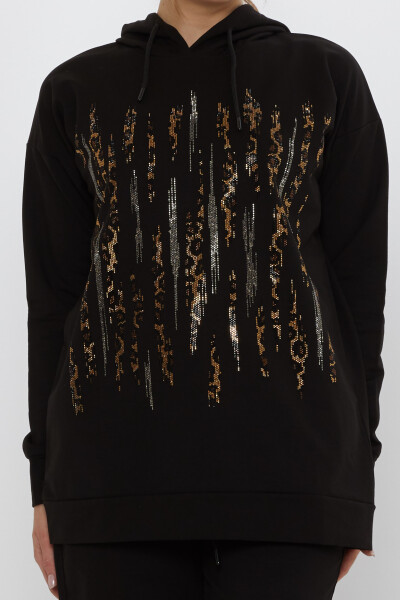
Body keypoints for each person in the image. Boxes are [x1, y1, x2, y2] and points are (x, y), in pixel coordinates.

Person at [22, 0, 388, 598]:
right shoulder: (75, 90)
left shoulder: (326, 76)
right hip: (109, 487)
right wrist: (44, 483)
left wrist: (354, 476)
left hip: (291, 484)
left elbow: (360, 297)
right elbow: (52, 302)